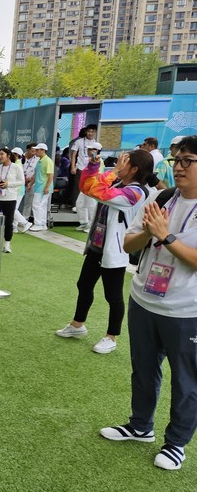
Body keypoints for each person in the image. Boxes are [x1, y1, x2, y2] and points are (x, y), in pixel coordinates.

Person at [101, 135, 197, 470]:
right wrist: (149, 232)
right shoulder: (162, 197)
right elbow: (129, 244)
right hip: (143, 298)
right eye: (176, 160)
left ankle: (176, 443)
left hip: (186, 310)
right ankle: (140, 425)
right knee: (143, 369)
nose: (179, 167)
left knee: (186, 379)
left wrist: (165, 236)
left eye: (188, 161)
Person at [56, 147, 157, 353]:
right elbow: (86, 187)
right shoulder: (119, 184)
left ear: (134, 169)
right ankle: (77, 324)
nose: (118, 164)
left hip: (115, 251)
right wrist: (93, 166)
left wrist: (114, 172)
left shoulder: (136, 193)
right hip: (97, 246)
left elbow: (98, 191)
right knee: (84, 285)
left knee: (113, 296)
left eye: (124, 161)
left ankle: (111, 337)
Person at [69, 125, 98, 231]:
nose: (90, 133)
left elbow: (97, 165)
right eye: (89, 131)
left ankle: (92, 224)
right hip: (81, 169)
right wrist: (73, 166)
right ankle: (84, 223)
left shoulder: (96, 157)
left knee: (90, 202)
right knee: (80, 202)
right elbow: (74, 154)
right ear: (86, 132)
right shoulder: (79, 142)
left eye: (92, 131)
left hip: (91, 177)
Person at [30, 143, 54, 231]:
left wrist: (47, 187)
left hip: (43, 188)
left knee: (36, 205)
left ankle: (38, 224)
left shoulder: (48, 161)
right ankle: (43, 224)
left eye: (37, 150)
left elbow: (51, 175)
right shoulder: (40, 161)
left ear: (43, 150)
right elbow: (36, 174)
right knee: (42, 206)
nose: (35, 152)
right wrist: (30, 184)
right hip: (40, 187)